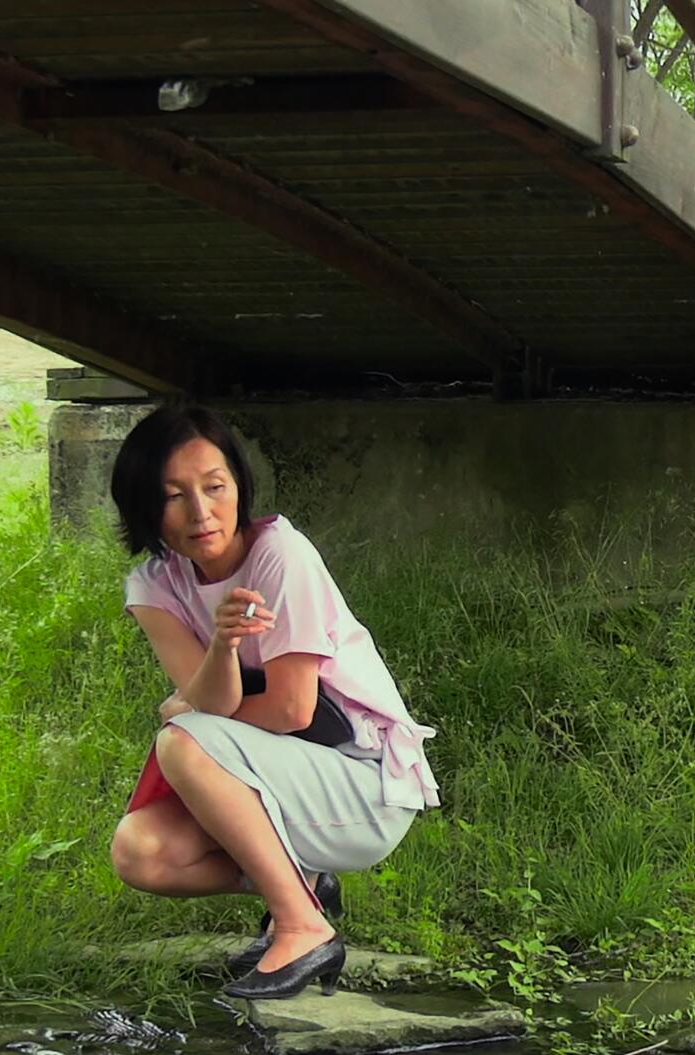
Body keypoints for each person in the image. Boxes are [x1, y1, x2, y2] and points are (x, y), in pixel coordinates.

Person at [105, 404, 439, 999]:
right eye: (174, 495)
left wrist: (190, 717)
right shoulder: (153, 586)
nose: (201, 512)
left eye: (214, 487)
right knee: (141, 852)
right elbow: (210, 701)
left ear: (239, 484)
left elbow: (292, 712)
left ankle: (302, 926)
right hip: (285, 783)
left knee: (182, 741)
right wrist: (223, 646)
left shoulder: (280, 556)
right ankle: (303, 881)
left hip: (363, 785)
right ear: (144, 506)